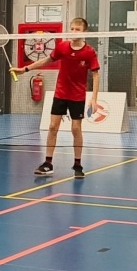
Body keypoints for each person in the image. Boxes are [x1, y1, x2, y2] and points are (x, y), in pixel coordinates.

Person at [13, 17, 100, 179]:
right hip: (60, 93)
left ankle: (78, 164)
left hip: (77, 95)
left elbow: (95, 74)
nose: (73, 32)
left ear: (84, 32)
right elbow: (46, 60)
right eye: (72, 28)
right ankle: (48, 163)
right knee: (53, 127)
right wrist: (25, 69)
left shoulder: (89, 52)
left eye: (77, 29)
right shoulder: (62, 47)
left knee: (76, 129)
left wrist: (94, 98)